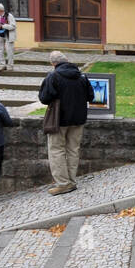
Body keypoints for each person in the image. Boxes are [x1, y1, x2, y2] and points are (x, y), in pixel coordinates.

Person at [37, 50, 94, 196]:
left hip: (59, 119)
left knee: (56, 150)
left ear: (52, 63)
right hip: (79, 118)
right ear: (67, 60)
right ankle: (72, 181)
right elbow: (91, 96)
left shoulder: (53, 76)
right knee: (73, 149)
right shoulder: (81, 75)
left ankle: (63, 184)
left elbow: (44, 98)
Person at [0, 3, 17, 70]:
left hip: (8, 34)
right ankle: (2, 65)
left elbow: (13, 26)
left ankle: (10, 66)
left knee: (9, 50)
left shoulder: (9, 15)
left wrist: (3, 26)